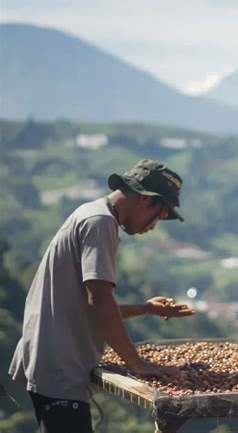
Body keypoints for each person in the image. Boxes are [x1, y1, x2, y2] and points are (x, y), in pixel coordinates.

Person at [9, 159, 196, 433]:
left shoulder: (93, 215)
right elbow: (100, 301)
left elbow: (88, 305)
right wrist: (136, 362)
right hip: (60, 368)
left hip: (54, 361)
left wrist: (146, 309)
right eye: (160, 214)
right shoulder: (100, 223)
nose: (155, 225)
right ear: (146, 199)